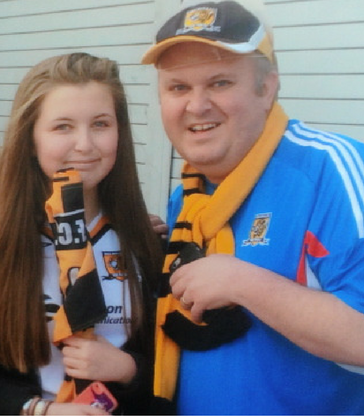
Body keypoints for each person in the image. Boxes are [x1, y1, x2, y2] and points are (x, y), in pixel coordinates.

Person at [141, 0, 364, 414]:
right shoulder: (185, 202)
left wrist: (244, 283)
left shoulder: (328, 169)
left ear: (267, 88)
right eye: (178, 87)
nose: (197, 105)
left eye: (220, 83)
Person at [0, 52, 166, 415]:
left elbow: (178, 368)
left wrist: (129, 370)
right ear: (31, 139)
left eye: (100, 124)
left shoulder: (145, 240)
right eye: (62, 127)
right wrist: (40, 411)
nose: (84, 144)